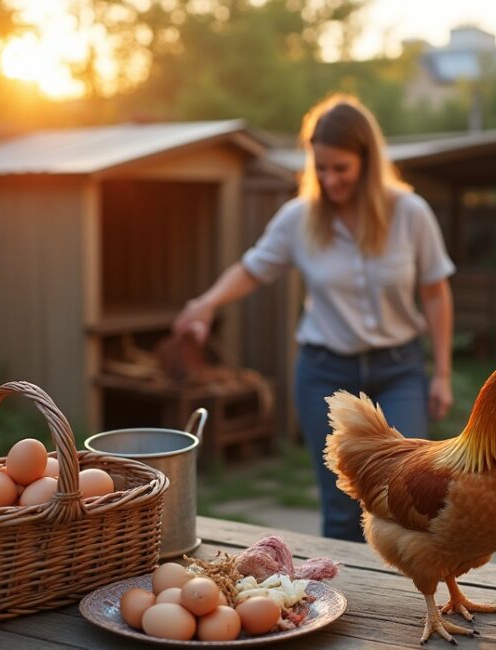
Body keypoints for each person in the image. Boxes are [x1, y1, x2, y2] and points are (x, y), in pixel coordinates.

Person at [172, 94, 456, 542]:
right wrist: (205, 304)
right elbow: (253, 268)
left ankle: (406, 608)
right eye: (320, 167)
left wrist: (441, 373)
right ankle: (349, 606)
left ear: (367, 159)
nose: (328, 178)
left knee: (408, 499)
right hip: (326, 375)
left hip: (398, 371)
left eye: (340, 168)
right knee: (342, 508)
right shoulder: (299, 219)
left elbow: (436, 293)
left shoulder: (410, 214)